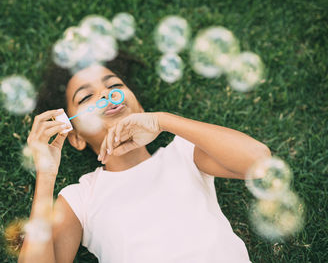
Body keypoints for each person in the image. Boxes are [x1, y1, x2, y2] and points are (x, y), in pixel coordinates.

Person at [18, 52, 271, 263]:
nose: (106, 95)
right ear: (76, 137)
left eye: (114, 85)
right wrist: (46, 173)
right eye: (86, 97)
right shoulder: (81, 198)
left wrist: (163, 121)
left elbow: (259, 162)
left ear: (139, 106)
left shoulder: (182, 153)